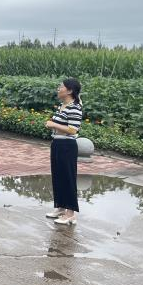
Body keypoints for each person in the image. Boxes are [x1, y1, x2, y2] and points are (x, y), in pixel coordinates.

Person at [45, 78, 83, 225]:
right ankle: (60, 208)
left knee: (68, 178)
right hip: (57, 144)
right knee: (58, 177)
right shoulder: (63, 105)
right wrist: (53, 125)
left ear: (69, 91)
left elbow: (73, 129)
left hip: (67, 146)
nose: (58, 89)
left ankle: (70, 214)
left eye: (61, 87)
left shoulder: (75, 107)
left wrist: (53, 124)